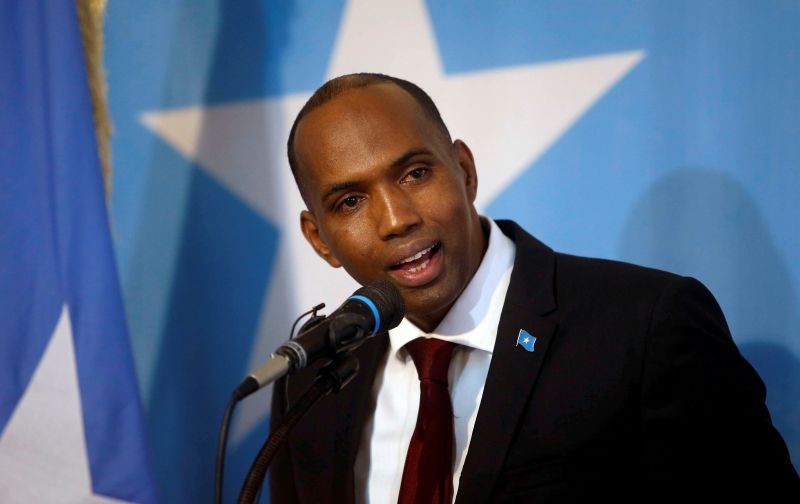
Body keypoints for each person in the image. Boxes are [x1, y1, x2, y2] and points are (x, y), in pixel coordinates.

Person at [269, 73, 799, 503]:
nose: (395, 219)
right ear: (320, 239)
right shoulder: (312, 376)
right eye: (349, 203)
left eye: (414, 174)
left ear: (464, 170)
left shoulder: (646, 326)